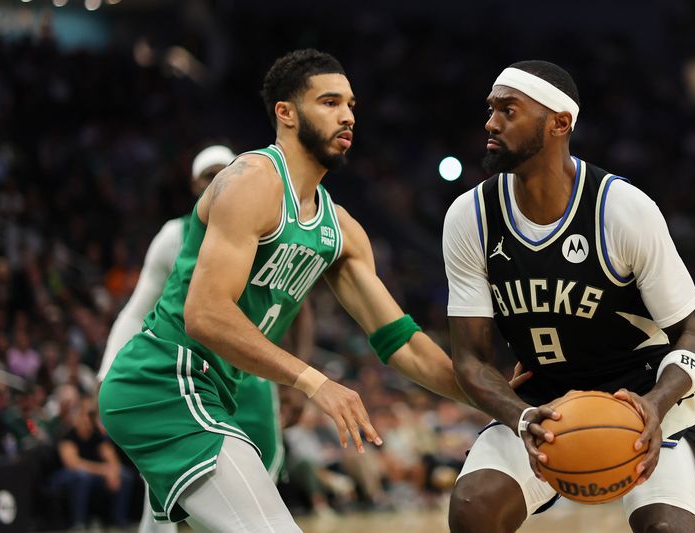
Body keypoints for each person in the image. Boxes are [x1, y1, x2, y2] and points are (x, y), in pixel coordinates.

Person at [99, 49, 468, 531]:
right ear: (286, 113)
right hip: (167, 380)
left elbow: (403, 342)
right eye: (330, 102)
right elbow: (205, 313)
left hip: (218, 390)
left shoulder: (342, 231)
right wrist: (314, 381)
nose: (347, 115)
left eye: (351, 104)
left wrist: (498, 402)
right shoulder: (251, 182)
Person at [443, 60, 695, 533]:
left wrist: (656, 404)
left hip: (640, 399)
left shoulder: (622, 209)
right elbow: (470, 359)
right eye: (491, 110)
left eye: (508, 111)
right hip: (543, 403)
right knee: (474, 508)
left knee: (670, 530)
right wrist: (522, 416)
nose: (491, 123)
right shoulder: (470, 216)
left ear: (560, 123)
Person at [97, 144, 311, 533]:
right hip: (184, 375)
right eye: (208, 176)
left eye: (223, 171)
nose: (218, 181)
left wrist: (297, 385)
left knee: (253, 498)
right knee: (178, 501)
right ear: (196, 185)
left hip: (248, 379)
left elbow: (298, 305)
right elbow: (136, 307)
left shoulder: (269, 225)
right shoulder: (173, 235)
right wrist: (107, 367)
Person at [49, 395, 134, 529]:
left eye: (90, 416)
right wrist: (105, 470)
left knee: (125, 475)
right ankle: (79, 522)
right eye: (84, 415)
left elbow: (113, 460)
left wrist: (114, 472)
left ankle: (117, 520)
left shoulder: (97, 437)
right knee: (82, 476)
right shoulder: (67, 435)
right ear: (77, 418)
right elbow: (73, 464)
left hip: (93, 474)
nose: (87, 419)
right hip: (64, 476)